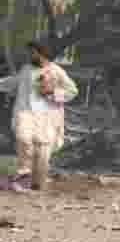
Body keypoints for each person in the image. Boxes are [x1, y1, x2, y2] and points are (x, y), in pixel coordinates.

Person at [0, 41, 78, 191]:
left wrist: (52, 92)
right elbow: (14, 82)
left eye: (33, 52)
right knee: (23, 138)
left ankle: (37, 182)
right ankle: (24, 175)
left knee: (42, 151)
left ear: (42, 53)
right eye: (29, 52)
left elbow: (72, 91)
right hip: (24, 112)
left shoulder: (57, 71)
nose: (30, 55)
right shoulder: (26, 70)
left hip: (47, 115)